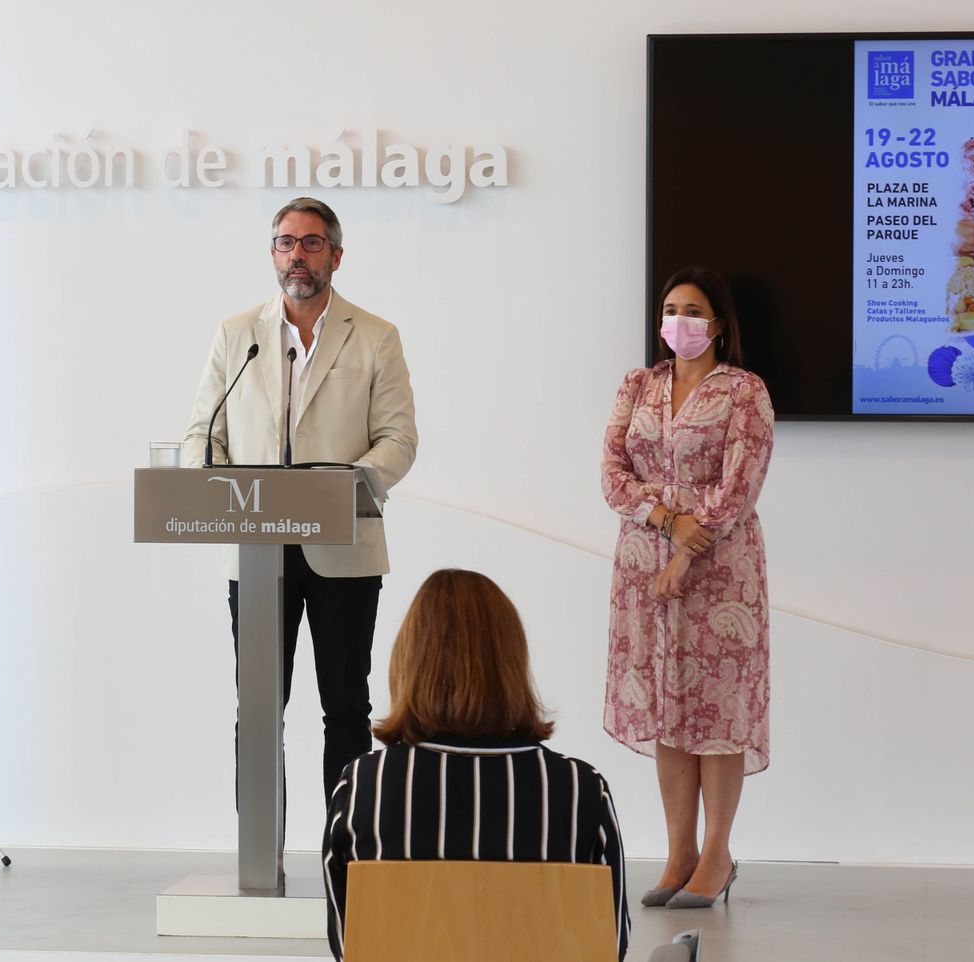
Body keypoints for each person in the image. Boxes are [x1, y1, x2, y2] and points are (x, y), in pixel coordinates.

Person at [181, 197, 418, 800]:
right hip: (258, 547)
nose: (298, 254)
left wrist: (344, 487)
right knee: (259, 706)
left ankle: (346, 848)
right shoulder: (238, 335)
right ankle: (258, 859)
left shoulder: (375, 336)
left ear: (336, 255)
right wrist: (214, 480)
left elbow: (398, 439)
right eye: (286, 242)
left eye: (312, 243)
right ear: (272, 254)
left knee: (345, 706)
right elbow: (202, 434)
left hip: (344, 545)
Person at [321, 570, 628, 962]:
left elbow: (349, 945)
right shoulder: (581, 789)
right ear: (512, 662)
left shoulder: (364, 786)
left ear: (408, 661)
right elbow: (610, 945)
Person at [600, 266, 773, 910]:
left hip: (722, 571)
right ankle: (678, 852)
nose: (680, 321)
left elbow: (740, 485)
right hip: (643, 562)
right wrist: (668, 522)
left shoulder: (744, 392)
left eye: (693, 311)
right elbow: (613, 477)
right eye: (671, 309)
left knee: (718, 714)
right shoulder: (638, 385)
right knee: (667, 709)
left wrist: (686, 551)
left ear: (718, 324)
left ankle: (718, 854)